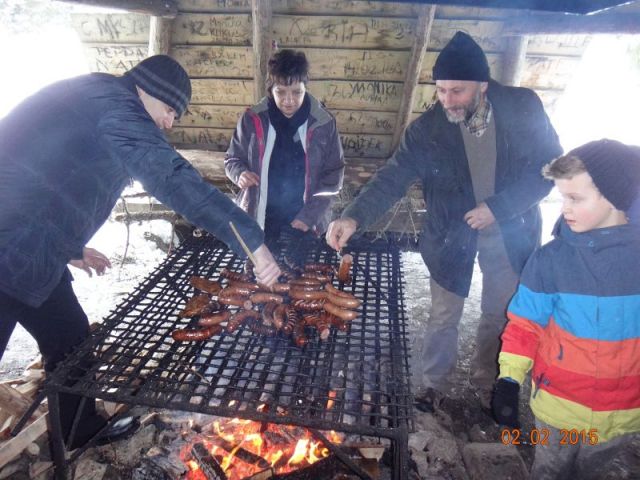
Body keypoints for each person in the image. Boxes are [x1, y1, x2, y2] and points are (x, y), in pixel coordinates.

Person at [0, 54, 280, 448]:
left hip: (31, 245)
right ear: (148, 91)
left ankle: (77, 430)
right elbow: (170, 176)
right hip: (8, 247)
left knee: (69, 336)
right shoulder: (116, 108)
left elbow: (52, 175)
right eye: (170, 111)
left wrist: (71, 247)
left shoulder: (99, 98)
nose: (168, 124)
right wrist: (251, 240)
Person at [325, 31, 562, 406]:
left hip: (511, 229)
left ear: (482, 85)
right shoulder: (427, 129)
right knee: (442, 315)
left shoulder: (523, 108)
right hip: (451, 235)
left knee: (500, 312)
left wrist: (497, 208)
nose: (447, 100)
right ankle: (434, 385)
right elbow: (393, 176)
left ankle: (490, 383)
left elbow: (549, 169)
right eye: (441, 90)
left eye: (458, 92)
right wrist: (353, 217)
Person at [492, 139, 640, 479]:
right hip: (559, 409)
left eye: (575, 198)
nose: (565, 209)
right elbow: (524, 325)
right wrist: (509, 380)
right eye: (561, 198)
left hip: (624, 412)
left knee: (592, 471)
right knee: (550, 471)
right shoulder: (550, 261)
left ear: (614, 196)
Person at [225, 49, 344, 263]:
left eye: (296, 92)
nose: (289, 101)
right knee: (259, 279)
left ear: (305, 87)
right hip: (260, 218)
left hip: (307, 218)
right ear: (271, 89)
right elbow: (232, 159)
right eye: (281, 92)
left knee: (302, 276)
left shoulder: (324, 123)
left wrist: (308, 217)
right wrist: (240, 173)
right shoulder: (252, 119)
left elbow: (333, 176)